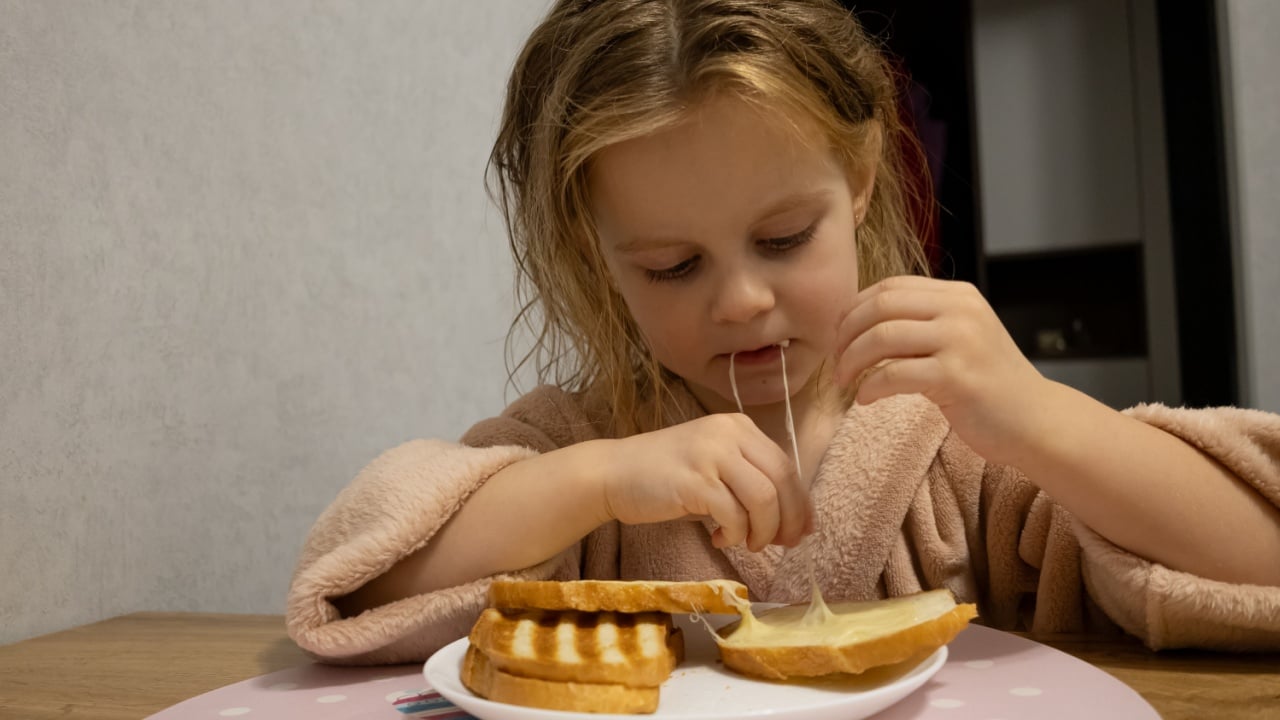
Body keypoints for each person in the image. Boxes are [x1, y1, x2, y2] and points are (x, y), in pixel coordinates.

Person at [286, 0, 1280, 664]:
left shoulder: (953, 445)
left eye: (781, 237)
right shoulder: (578, 451)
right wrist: (593, 481)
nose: (741, 303)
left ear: (855, 183)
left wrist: (1036, 418)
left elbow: (1255, 558)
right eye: (671, 266)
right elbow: (365, 582)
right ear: (595, 256)